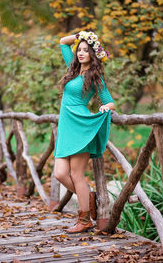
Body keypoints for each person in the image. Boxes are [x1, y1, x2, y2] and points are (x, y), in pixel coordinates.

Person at [54, 31, 115, 233]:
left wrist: (106, 108)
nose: (80, 53)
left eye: (85, 51)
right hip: (66, 125)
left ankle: (84, 219)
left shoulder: (95, 77)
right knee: (60, 174)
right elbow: (63, 42)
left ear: (93, 54)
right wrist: (81, 35)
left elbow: (110, 102)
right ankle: (88, 198)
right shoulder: (72, 69)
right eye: (79, 50)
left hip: (80, 125)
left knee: (76, 174)